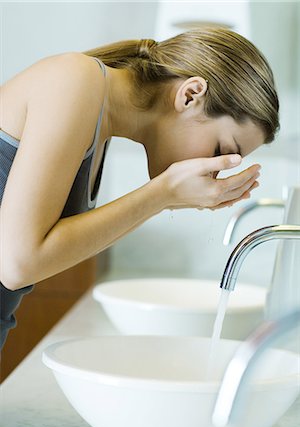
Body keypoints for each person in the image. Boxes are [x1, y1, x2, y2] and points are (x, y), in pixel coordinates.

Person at [0, 27, 279, 350]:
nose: (213, 172)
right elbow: (18, 265)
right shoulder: (76, 79)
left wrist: (164, 198)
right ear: (189, 95)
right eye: (221, 152)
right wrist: (162, 194)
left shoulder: (99, 127)